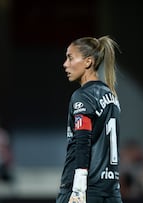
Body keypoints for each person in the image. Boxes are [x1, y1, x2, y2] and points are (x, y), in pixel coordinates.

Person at [56, 36, 123, 203]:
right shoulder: (111, 95)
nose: (65, 64)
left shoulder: (83, 95)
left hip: (85, 189)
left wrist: (78, 189)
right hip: (111, 191)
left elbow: (83, 140)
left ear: (88, 62)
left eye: (70, 58)